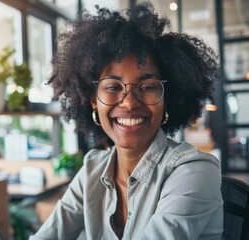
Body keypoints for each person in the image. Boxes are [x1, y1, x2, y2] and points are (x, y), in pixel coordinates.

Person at [29, 2, 223, 240]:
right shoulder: (92, 169)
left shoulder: (194, 171)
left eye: (148, 87)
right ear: (92, 100)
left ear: (166, 99)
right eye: (112, 86)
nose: (129, 103)